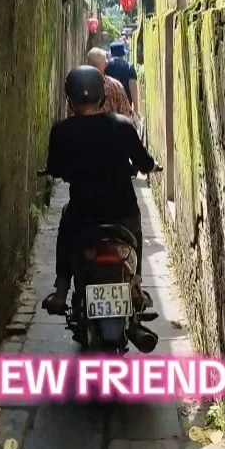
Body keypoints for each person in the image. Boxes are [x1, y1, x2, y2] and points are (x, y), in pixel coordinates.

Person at [42, 66, 156, 330]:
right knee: (135, 228)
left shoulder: (61, 131)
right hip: (122, 213)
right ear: (102, 96)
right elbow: (144, 162)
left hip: (83, 215)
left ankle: (61, 290)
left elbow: (55, 168)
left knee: (66, 227)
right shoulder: (122, 125)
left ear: (70, 99)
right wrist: (148, 166)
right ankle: (136, 285)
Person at [67, 47, 131, 118]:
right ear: (106, 64)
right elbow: (126, 113)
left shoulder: (77, 85)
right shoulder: (115, 86)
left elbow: (71, 113)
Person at [106, 41, 138, 113]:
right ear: (123, 54)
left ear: (112, 54)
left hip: (109, 110)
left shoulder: (106, 66)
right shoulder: (129, 67)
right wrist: (136, 109)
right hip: (125, 109)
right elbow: (133, 87)